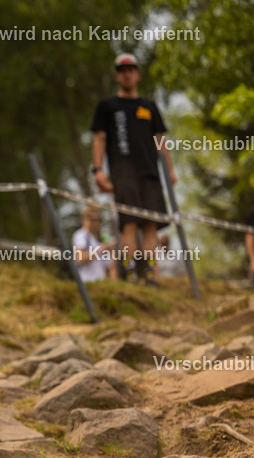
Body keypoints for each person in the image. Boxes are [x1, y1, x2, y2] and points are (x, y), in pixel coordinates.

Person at [90, 53, 176, 286]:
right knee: (128, 223)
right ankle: (130, 273)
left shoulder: (149, 107)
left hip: (150, 173)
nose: (127, 74)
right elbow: (99, 138)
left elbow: (160, 140)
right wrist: (98, 169)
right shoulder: (107, 106)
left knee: (151, 224)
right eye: (122, 71)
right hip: (123, 174)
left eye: (130, 70)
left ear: (137, 74)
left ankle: (149, 274)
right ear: (117, 75)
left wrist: (169, 170)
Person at [71, 205, 116, 282]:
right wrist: (101, 249)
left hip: (100, 283)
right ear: (84, 219)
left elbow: (109, 266)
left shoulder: (94, 239)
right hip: (87, 283)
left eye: (99, 219)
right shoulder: (81, 235)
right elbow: (80, 258)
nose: (96, 223)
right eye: (93, 219)